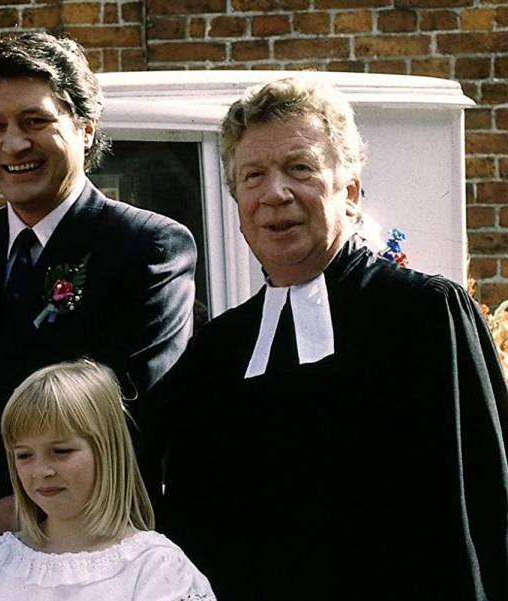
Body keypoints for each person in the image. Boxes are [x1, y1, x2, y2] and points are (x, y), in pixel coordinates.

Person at [161, 77, 508, 601]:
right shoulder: (218, 351)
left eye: (300, 168)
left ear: (349, 192)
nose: (275, 193)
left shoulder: (426, 315)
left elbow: (480, 513)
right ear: (238, 203)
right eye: (254, 176)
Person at [0, 32, 196, 557]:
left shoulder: (147, 246)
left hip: (89, 552)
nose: (13, 144)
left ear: (84, 128)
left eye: (35, 121)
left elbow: (130, 416)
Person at [0, 359, 214, 601]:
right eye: (24, 455)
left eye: (61, 451)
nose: (42, 470)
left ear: (107, 450)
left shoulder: (154, 567)